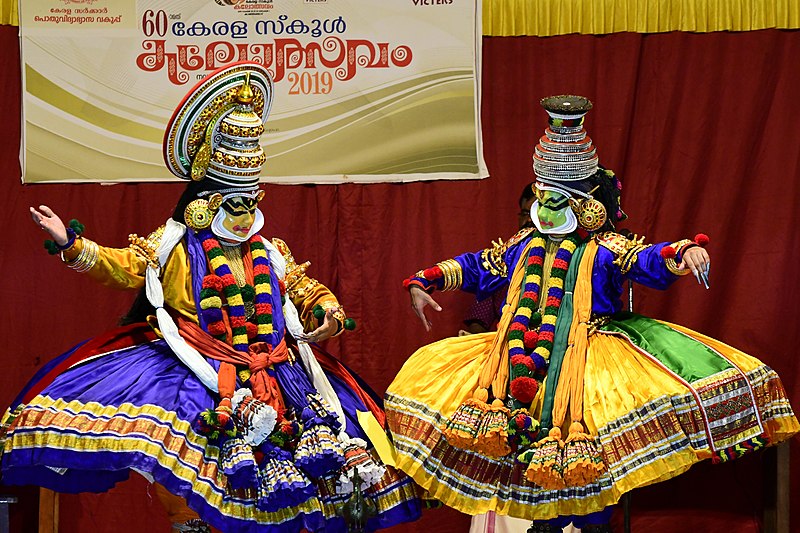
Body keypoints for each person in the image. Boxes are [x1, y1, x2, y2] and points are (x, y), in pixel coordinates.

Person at [0, 62, 421, 533]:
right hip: (197, 368)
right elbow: (125, 266)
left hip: (279, 371)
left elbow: (305, 289)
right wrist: (71, 244)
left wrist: (328, 313)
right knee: (186, 467)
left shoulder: (271, 252)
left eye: (252, 202)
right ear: (205, 202)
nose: (244, 215)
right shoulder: (176, 245)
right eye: (234, 204)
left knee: (318, 461)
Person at [385, 95, 799, 532]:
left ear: (586, 204)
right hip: (514, 360)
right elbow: (476, 267)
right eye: (543, 196)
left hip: (588, 366)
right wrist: (422, 281)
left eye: (558, 198)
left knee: (594, 470)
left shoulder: (603, 247)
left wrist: (684, 251)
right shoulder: (520, 245)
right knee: (516, 460)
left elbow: (647, 259)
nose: (546, 207)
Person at [462, 182, 535, 335]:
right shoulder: (503, 260)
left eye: (533, 214)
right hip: (506, 347)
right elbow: (478, 320)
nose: (528, 221)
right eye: (524, 214)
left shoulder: (568, 257)